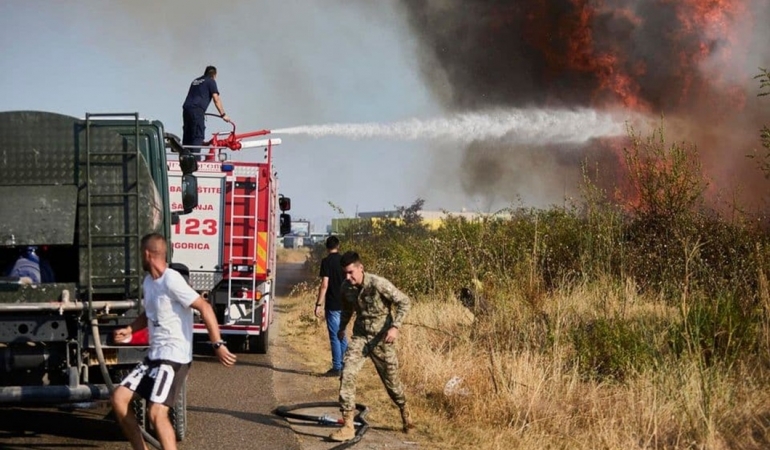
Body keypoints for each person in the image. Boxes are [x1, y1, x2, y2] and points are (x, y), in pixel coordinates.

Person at [111, 233, 237, 450]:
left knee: (156, 412)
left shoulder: (172, 279)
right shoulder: (149, 282)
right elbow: (148, 313)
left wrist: (217, 344)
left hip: (174, 358)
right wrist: (130, 329)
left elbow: (204, 307)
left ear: (147, 254)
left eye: (141, 253)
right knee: (119, 399)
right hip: (154, 357)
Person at [330, 251, 414, 442]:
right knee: (347, 373)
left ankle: (404, 409)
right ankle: (348, 425)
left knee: (392, 384)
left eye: (351, 272)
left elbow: (404, 301)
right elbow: (347, 309)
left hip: (382, 339)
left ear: (361, 268)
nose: (348, 277)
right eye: (345, 273)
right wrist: (342, 327)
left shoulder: (378, 284)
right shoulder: (346, 287)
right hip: (361, 337)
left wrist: (395, 327)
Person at [315, 236, 347, 377]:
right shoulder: (344, 261)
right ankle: (347, 363)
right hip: (345, 303)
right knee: (342, 334)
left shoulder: (326, 262)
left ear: (327, 247)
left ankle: (337, 367)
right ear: (338, 246)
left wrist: (318, 304)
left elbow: (324, 285)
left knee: (335, 336)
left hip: (333, 304)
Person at [182, 65, 230, 159]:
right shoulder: (211, 81)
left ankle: (185, 159)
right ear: (214, 75)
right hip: (197, 110)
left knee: (188, 134)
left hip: (186, 109)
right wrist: (223, 115)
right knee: (197, 135)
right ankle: (195, 162)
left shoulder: (195, 81)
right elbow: (216, 99)